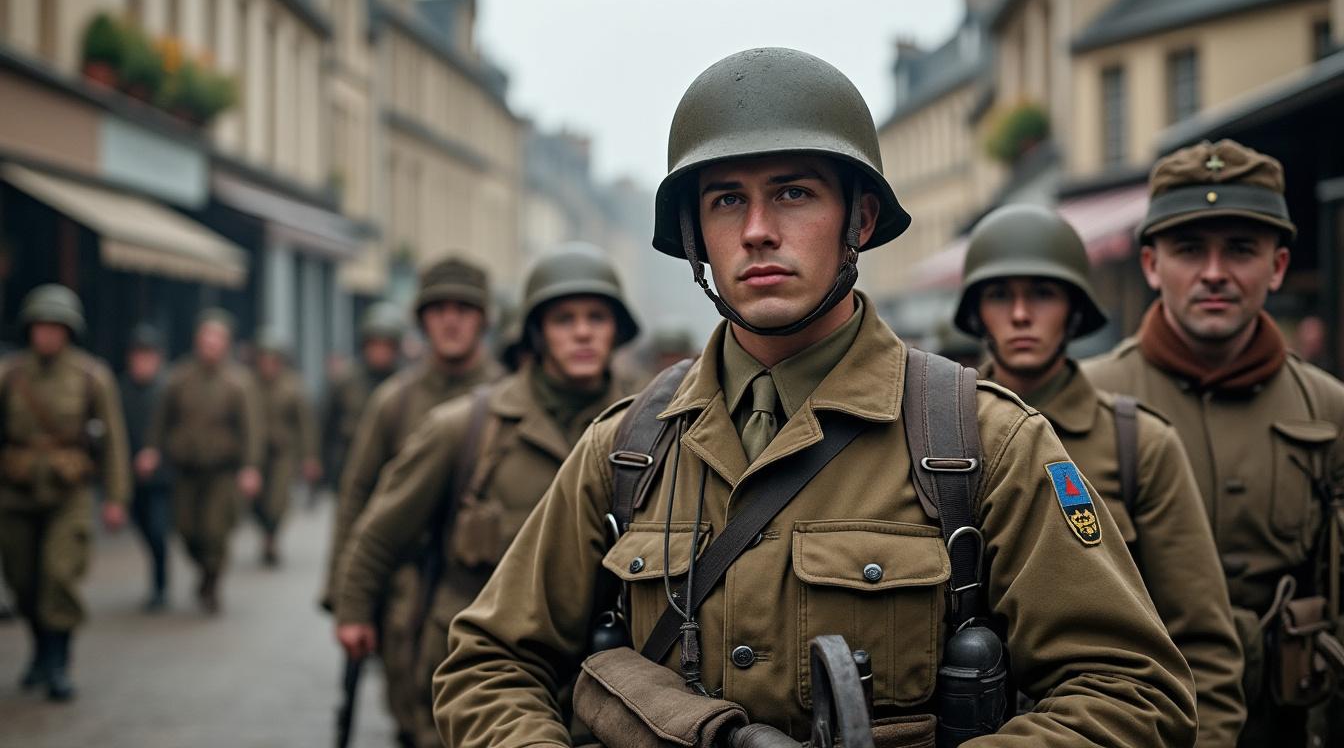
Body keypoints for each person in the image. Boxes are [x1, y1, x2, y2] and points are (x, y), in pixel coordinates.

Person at [436, 48, 1197, 747]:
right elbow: (488, 664)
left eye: (794, 193)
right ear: (696, 237)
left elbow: (1131, 692)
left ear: (859, 219)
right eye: (728, 201)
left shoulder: (982, 444)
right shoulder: (629, 448)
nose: (759, 231)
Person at [1084, 139, 1344, 747]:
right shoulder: (1085, 404)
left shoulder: (1329, 411)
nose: (1214, 274)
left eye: (1242, 250)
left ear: (1278, 265)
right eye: (1189, 250)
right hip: (1140, 725)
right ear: (1150, 264)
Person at [954, 203, 1245, 745]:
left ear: (1073, 311)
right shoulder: (937, 438)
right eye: (999, 295)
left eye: (1042, 294)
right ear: (976, 314)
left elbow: (1202, 649)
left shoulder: (1139, 444)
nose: (1020, 315)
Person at [336, 241, 638, 748]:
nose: (583, 332)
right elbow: (379, 531)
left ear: (617, 330)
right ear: (537, 333)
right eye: (565, 319)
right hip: (476, 668)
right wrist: (354, 612)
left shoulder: (646, 425)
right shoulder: (464, 427)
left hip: (604, 677)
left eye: (597, 317)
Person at [324, 255, 501, 747]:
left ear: (482, 318)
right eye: (438, 308)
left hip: (485, 586)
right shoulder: (394, 402)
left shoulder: (509, 396)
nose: (450, 319)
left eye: (463, 308)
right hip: (406, 591)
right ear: (422, 319)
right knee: (412, 716)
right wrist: (345, 599)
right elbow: (357, 498)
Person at [0, 284, 130, 700]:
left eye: (57, 327)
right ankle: (39, 651)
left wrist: (115, 497)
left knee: (60, 576)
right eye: (41, 326)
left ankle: (58, 663)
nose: (48, 334)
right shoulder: (9, 375)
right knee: (23, 581)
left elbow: (114, 443)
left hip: (68, 494)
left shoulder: (92, 377)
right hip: (16, 492)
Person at [140, 309, 262, 614]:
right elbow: (161, 420)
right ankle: (204, 568)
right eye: (205, 338)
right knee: (185, 531)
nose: (210, 344)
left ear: (226, 344)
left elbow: (251, 429)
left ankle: (211, 581)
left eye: (216, 339)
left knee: (215, 532)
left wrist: (250, 467)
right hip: (185, 470)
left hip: (221, 472)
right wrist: (152, 449)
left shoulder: (239, 383)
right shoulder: (179, 378)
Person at [321, 302, 403, 500]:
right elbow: (327, 425)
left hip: (390, 475)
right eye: (375, 344)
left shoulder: (405, 383)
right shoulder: (345, 381)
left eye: (386, 345)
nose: (380, 351)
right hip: (348, 468)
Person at [252, 329, 320, 567]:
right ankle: (265, 532)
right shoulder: (249, 385)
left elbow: (305, 424)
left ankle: (272, 538)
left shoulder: (292, 386)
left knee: (278, 502)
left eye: (273, 360)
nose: (268, 365)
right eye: (264, 360)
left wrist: (309, 457)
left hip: (284, 453)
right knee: (255, 502)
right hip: (257, 453)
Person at [120, 323, 172, 611]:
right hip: (130, 477)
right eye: (138, 355)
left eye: (148, 355)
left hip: (162, 479)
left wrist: (157, 455)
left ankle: (160, 586)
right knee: (143, 528)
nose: (142, 362)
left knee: (157, 530)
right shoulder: (121, 388)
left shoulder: (167, 389)